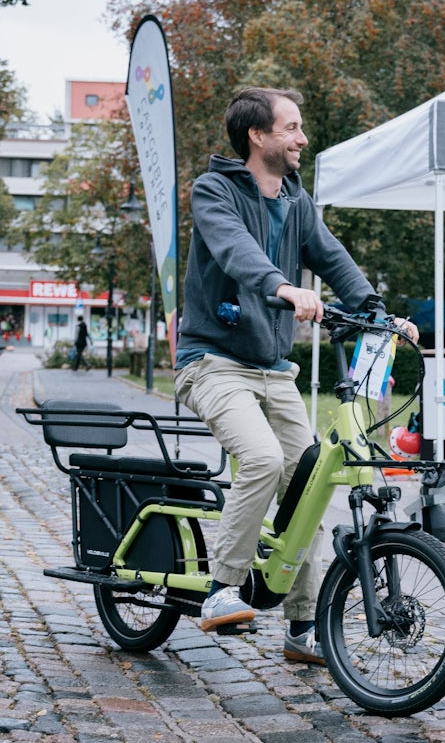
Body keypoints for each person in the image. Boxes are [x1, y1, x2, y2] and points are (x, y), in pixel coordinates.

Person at [174, 87, 417, 665]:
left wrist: (378, 313)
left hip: (274, 371)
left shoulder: (297, 202)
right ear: (258, 136)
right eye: (291, 128)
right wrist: (282, 286)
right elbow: (235, 251)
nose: (302, 138)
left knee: (305, 485)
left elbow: (331, 257)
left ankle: (302, 627)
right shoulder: (215, 192)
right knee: (261, 459)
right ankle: (222, 590)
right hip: (212, 362)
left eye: (300, 128)